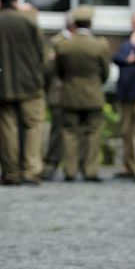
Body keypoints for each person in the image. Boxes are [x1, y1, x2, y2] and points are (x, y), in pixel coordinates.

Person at [0, 0, 46, 185]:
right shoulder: (29, 22)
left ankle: (11, 173)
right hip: (30, 83)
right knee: (33, 126)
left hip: (0, 84)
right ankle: (32, 171)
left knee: (7, 129)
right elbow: (42, 53)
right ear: (16, 0)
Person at [54, 4, 111, 182]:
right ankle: (90, 170)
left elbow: (59, 71)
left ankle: (70, 171)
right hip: (93, 94)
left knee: (70, 132)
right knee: (92, 133)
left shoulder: (64, 46)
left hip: (70, 93)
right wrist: (96, 83)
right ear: (90, 23)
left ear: (75, 23)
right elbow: (106, 72)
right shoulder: (99, 45)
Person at [41, 11, 76, 181]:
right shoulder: (57, 42)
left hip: (77, 94)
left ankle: (72, 166)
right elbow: (48, 70)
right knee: (58, 131)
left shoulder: (83, 42)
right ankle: (51, 164)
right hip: (59, 93)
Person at [111, 12, 135, 179]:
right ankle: (129, 166)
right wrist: (131, 56)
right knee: (126, 131)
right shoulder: (127, 40)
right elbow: (117, 57)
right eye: (134, 22)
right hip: (125, 92)